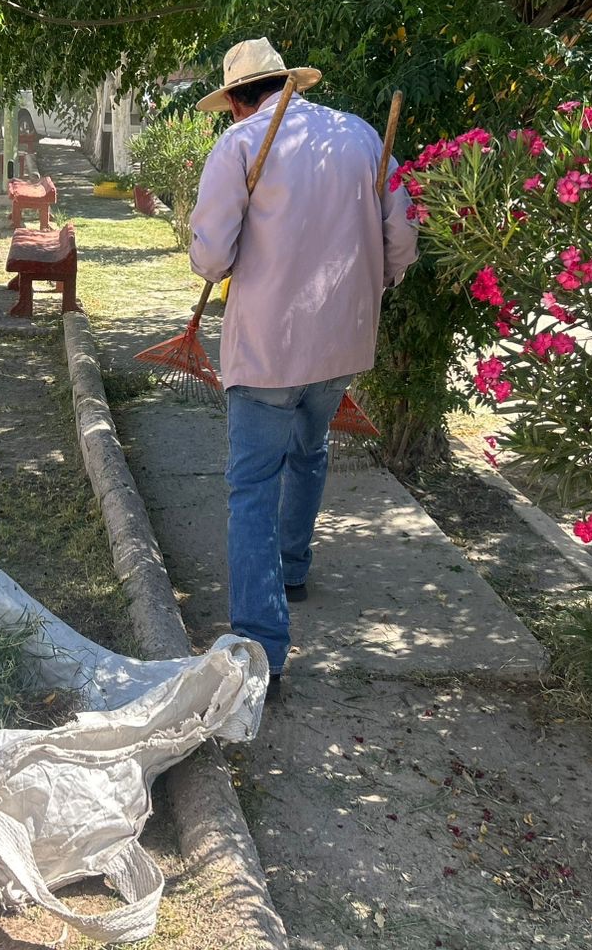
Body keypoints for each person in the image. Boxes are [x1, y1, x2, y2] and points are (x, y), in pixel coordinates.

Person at [187, 38, 419, 699]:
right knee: (309, 450)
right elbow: (402, 234)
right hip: (342, 342)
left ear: (237, 100)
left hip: (268, 349)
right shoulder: (360, 135)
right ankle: (292, 569)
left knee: (252, 487)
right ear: (286, 83)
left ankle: (263, 650)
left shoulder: (240, 144)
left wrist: (222, 259)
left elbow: (211, 257)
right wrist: (378, 283)